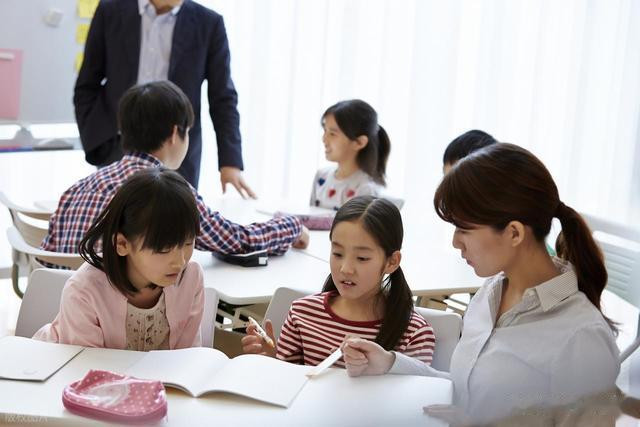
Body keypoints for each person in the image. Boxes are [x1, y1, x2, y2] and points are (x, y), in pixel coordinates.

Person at [341, 143, 620, 425]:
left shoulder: (582, 338)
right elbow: (469, 390)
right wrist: (390, 363)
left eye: (463, 229)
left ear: (514, 233)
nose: (455, 242)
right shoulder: (490, 293)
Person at [42, 81, 308, 261]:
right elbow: (238, 241)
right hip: (121, 320)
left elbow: (46, 259)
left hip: (62, 317)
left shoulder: (78, 188)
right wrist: (292, 226)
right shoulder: (166, 192)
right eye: (187, 131)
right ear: (174, 133)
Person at [74, 0, 254, 196]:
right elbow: (87, 84)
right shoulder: (110, 10)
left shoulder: (208, 22)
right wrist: (94, 139)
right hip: (118, 145)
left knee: (176, 214)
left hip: (176, 150)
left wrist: (230, 162)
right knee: (116, 212)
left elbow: (223, 98)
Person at [242, 196, 435, 368]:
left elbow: (412, 395)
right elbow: (288, 385)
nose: (345, 269)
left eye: (362, 258)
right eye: (338, 254)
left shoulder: (414, 333)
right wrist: (272, 360)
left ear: (391, 262)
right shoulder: (302, 313)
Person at [35, 168, 205, 349]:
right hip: (61, 363)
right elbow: (85, 364)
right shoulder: (84, 291)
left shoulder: (190, 277)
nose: (180, 262)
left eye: (188, 243)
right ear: (122, 244)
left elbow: (187, 356)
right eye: (163, 250)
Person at [310, 100, 390, 210]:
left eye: (332, 134)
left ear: (359, 142)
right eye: (325, 131)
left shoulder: (366, 189)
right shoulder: (321, 177)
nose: (324, 139)